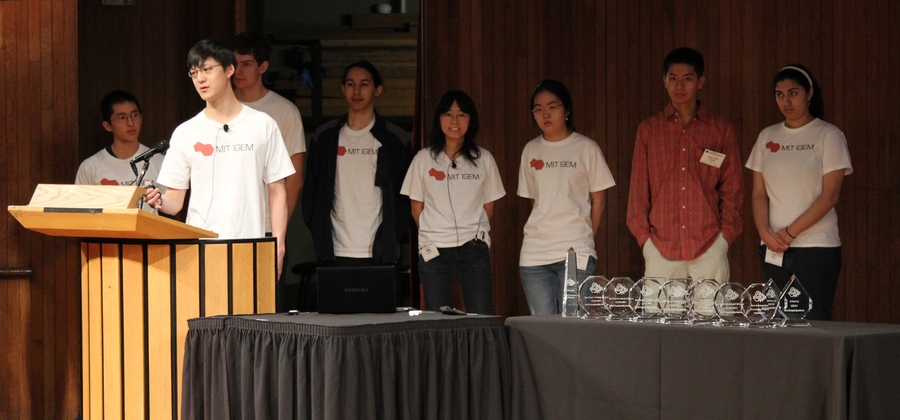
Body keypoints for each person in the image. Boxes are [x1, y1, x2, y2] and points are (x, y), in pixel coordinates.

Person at [143, 39, 295, 277]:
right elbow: (175, 202)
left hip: (251, 246)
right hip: (201, 249)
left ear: (229, 70)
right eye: (194, 73)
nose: (200, 79)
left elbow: (277, 190)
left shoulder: (263, 124)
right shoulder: (186, 132)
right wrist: (158, 199)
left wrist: (278, 243)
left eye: (207, 69)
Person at [626, 47, 743, 284]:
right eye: (673, 79)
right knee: (661, 309)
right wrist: (646, 242)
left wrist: (723, 240)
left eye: (687, 79)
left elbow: (733, 188)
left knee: (711, 309)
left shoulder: (720, 130)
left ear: (700, 82)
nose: (679, 86)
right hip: (660, 245)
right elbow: (638, 192)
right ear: (664, 81)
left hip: (709, 243)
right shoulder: (649, 130)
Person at [745, 65, 852, 321]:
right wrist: (765, 233)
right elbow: (759, 193)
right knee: (778, 321)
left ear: (809, 93)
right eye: (779, 94)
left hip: (816, 247)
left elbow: (830, 196)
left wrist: (789, 233)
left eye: (793, 93)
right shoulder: (767, 136)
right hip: (774, 248)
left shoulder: (828, 135)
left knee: (813, 322)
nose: (786, 101)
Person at [400, 90, 505, 314]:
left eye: (461, 115)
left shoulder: (483, 159)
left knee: (481, 313)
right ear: (439, 119)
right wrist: (434, 232)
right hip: (435, 249)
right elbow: (416, 208)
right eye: (448, 114)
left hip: (474, 247)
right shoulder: (423, 158)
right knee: (436, 315)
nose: (454, 121)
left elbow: (489, 206)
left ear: (470, 120)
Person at [518, 79, 616, 315]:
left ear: (567, 110)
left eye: (552, 107)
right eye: (538, 109)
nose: (545, 114)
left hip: (576, 250)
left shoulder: (586, 148)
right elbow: (535, 201)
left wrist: (585, 236)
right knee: (542, 327)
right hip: (535, 253)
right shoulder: (531, 150)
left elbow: (599, 200)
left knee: (574, 324)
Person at [302, 60, 412, 266]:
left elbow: (405, 196)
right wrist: (320, 232)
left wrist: (392, 235)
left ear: (378, 90)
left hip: (381, 252)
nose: (357, 91)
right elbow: (311, 192)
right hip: (334, 250)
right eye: (351, 84)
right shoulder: (324, 137)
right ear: (343, 89)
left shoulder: (395, 139)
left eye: (364, 84)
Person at [231, 31, 306, 226]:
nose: (238, 70)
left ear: (262, 67)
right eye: (234, 63)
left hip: (265, 224)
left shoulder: (284, 111)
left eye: (246, 64)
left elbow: (294, 180)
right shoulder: (218, 107)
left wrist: (278, 228)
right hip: (224, 225)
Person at [76, 90, 164, 214]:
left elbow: (170, 204)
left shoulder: (158, 160)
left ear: (141, 118)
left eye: (134, 115)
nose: (130, 123)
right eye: (122, 117)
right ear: (107, 126)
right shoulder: (90, 167)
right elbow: (80, 211)